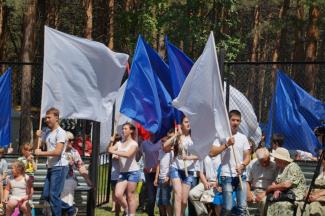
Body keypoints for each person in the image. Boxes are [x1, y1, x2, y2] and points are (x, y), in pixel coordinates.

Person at [35, 107, 76, 216]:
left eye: (49, 117)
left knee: (53, 196)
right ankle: (69, 209)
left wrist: (41, 153)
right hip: (51, 166)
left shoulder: (61, 132)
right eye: (46, 118)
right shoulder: (48, 132)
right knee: (47, 195)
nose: (46, 120)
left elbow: (57, 152)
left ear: (56, 118)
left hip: (60, 167)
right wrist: (38, 137)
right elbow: (39, 145)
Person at [209, 110, 251, 216]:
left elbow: (248, 156)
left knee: (242, 207)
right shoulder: (220, 136)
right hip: (226, 175)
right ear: (228, 121)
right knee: (228, 207)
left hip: (241, 175)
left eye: (238, 120)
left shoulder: (243, 137)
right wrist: (226, 144)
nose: (235, 122)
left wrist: (243, 165)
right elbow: (212, 152)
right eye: (233, 120)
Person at [163, 116, 199, 216]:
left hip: (189, 171)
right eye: (186, 122)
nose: (188, 124)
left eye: (190, 122)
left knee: (184, 200)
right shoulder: (178, 137)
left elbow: (200, 155)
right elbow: (165, 147)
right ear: (181, 124)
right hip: (176, 168)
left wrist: (188, 158)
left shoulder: (195, 137)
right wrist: (175, 136)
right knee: (177, 195)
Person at [108, 122, 140, 216]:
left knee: (130, 196)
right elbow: (109, 150)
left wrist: (116, 151)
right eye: (123, 128)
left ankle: (131, 214)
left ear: (131, 131)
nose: (123, 130)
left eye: (125, 128)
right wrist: (111, 141)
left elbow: (128, 154)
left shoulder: (134, 144)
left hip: (133, 172)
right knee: (118, 194)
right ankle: (127, 209)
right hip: (123, 172)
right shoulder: (119, 143)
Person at [266, 147, 306, 216]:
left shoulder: (293, 166)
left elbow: (286, 185)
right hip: (283, 194)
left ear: (281, 160)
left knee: (283, 205)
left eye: (276, 158)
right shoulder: (279, 169)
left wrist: (271, 188)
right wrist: (275, 189)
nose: (274, 160)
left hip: (294, 195)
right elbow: (275, 182)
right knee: (269, 202)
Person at [60, 131, 92, 212]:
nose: (72, 142)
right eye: (70, 140)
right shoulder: (57, 151)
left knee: (67, 185)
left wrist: (88, 180)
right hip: (57, 177)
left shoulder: (74, 152)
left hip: (69, 177)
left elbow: (80, 166)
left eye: (73, 140)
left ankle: (70, 209)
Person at [246, 147, 277, 215]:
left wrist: (265, 193)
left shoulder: (274, 165)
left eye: (266, 161)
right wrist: (248, 193)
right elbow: (247, 180)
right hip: (254, 190)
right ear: (258, 159)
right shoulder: (252, 164)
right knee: (239, 201)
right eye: (262, 162)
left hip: (268, 191)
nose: (265, 164)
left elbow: (276, 183)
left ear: (269, 157)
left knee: (264, 202)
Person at [154, 129, 174, 216]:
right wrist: (156, 178)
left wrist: (168, 177)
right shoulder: (161, 152)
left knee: (166, 201)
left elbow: (172, 166)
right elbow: (158, 165)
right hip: (160, 179)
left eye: (164, 143)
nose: (163, 145)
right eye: (162, 144)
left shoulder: (172, 153)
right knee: (159, 201)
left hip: (167, 179)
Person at [140, 134, 161, 216]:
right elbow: (140, 156)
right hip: (149, 173)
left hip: (160, 172)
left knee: (160, 197)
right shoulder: (144, 143)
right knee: (151, 197)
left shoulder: (161, 143)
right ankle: (150, 213)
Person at [108, 133, 122, 215]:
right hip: (114, 172)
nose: (118, 142)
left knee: (121, 192)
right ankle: (114, 206)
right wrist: (111, 141)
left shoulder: (121, 146)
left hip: (121, 172)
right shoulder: (112, 147)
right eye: (116, 140)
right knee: (114, 190)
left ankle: (121, 206)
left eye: (118, 140)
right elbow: (110, 152)